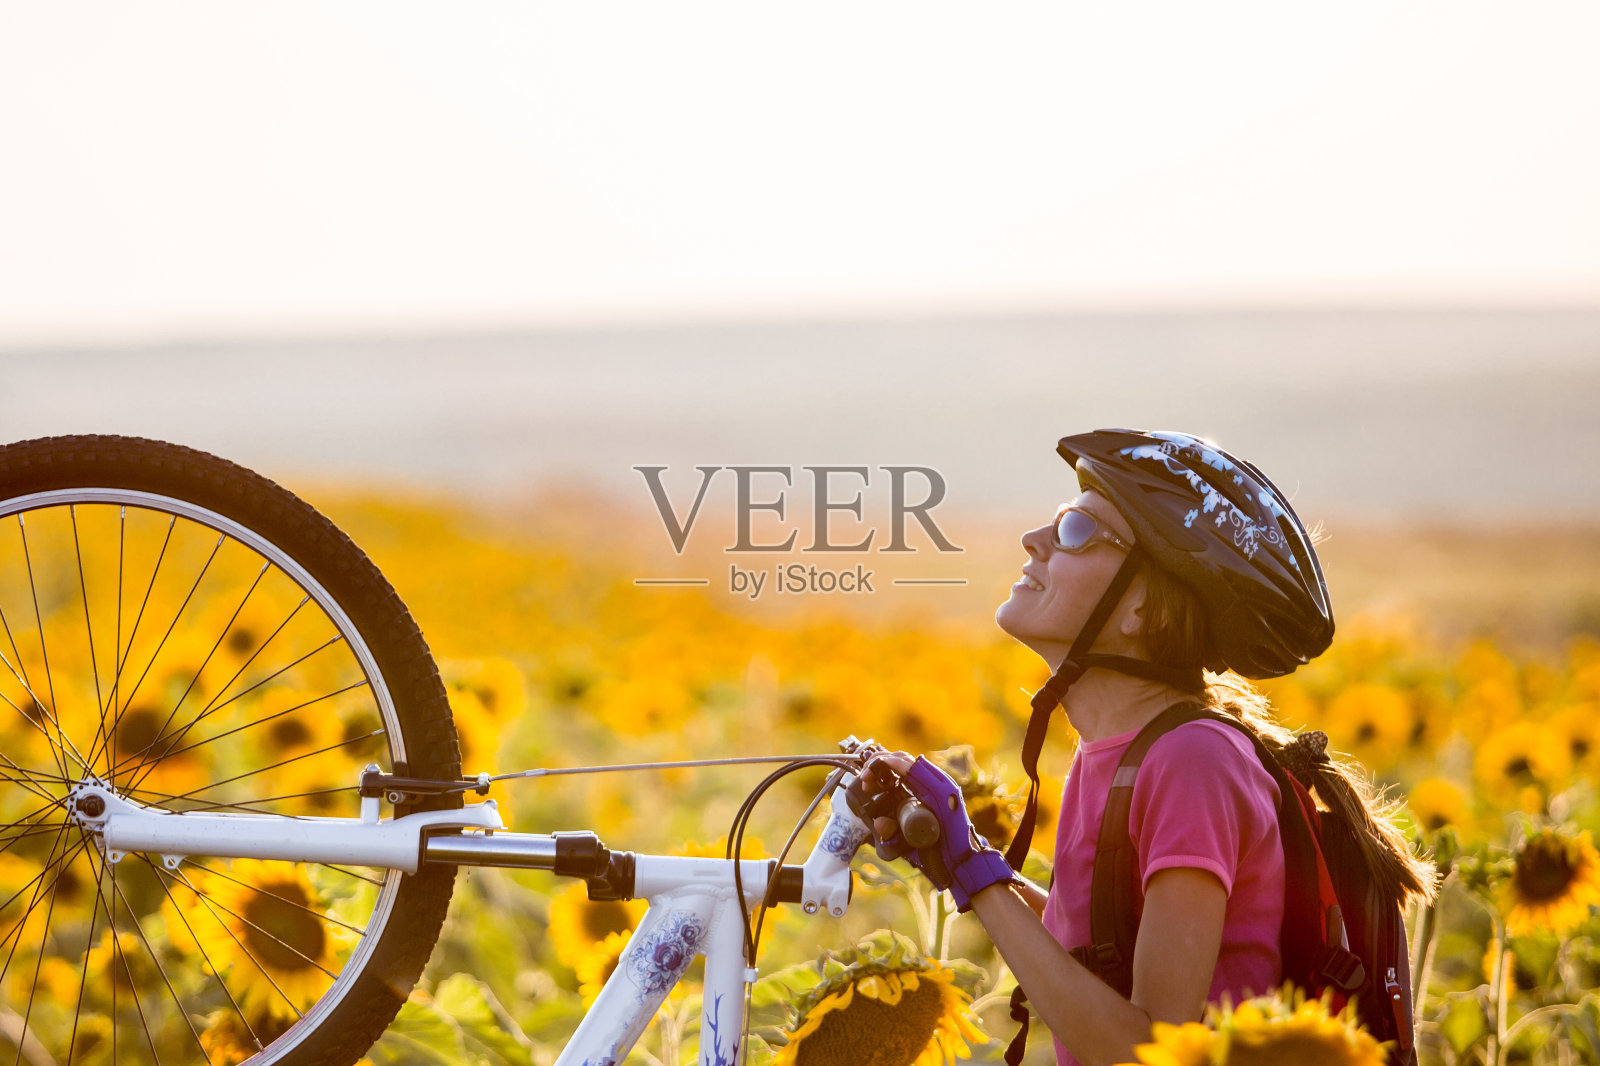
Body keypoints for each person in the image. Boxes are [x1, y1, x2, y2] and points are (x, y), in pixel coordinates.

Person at [861, 428, 1435, 1066]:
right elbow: (1100, 955)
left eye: (1076, 529)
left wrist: (978, 870)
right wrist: (954, 855)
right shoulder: (1122, 751)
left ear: (1143, 610)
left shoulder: (1193, 763)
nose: (1034, 540)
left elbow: (1147, 1050)